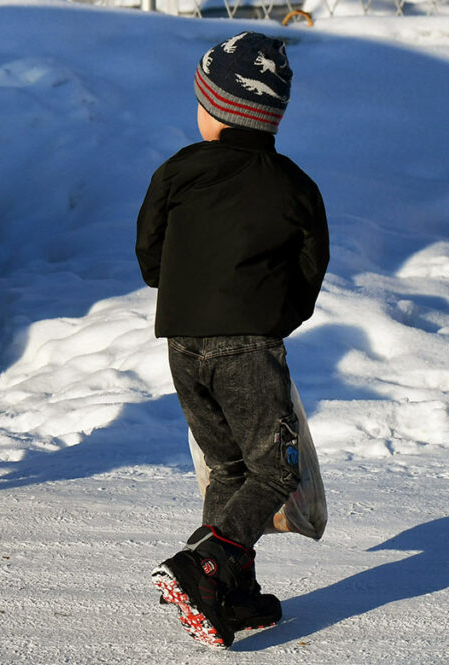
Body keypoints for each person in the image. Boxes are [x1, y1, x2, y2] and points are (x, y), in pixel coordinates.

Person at [134, 31, 329, 648]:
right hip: (249, 346)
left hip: (183, 343)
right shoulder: (294, 186)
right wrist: (270, 321)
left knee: (230, 468)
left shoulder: (178, 171)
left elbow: (150, 254)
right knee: (276, 472)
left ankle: (229, 593)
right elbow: (308, 274)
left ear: (214, 106)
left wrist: (189, 295)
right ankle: (206, 565)